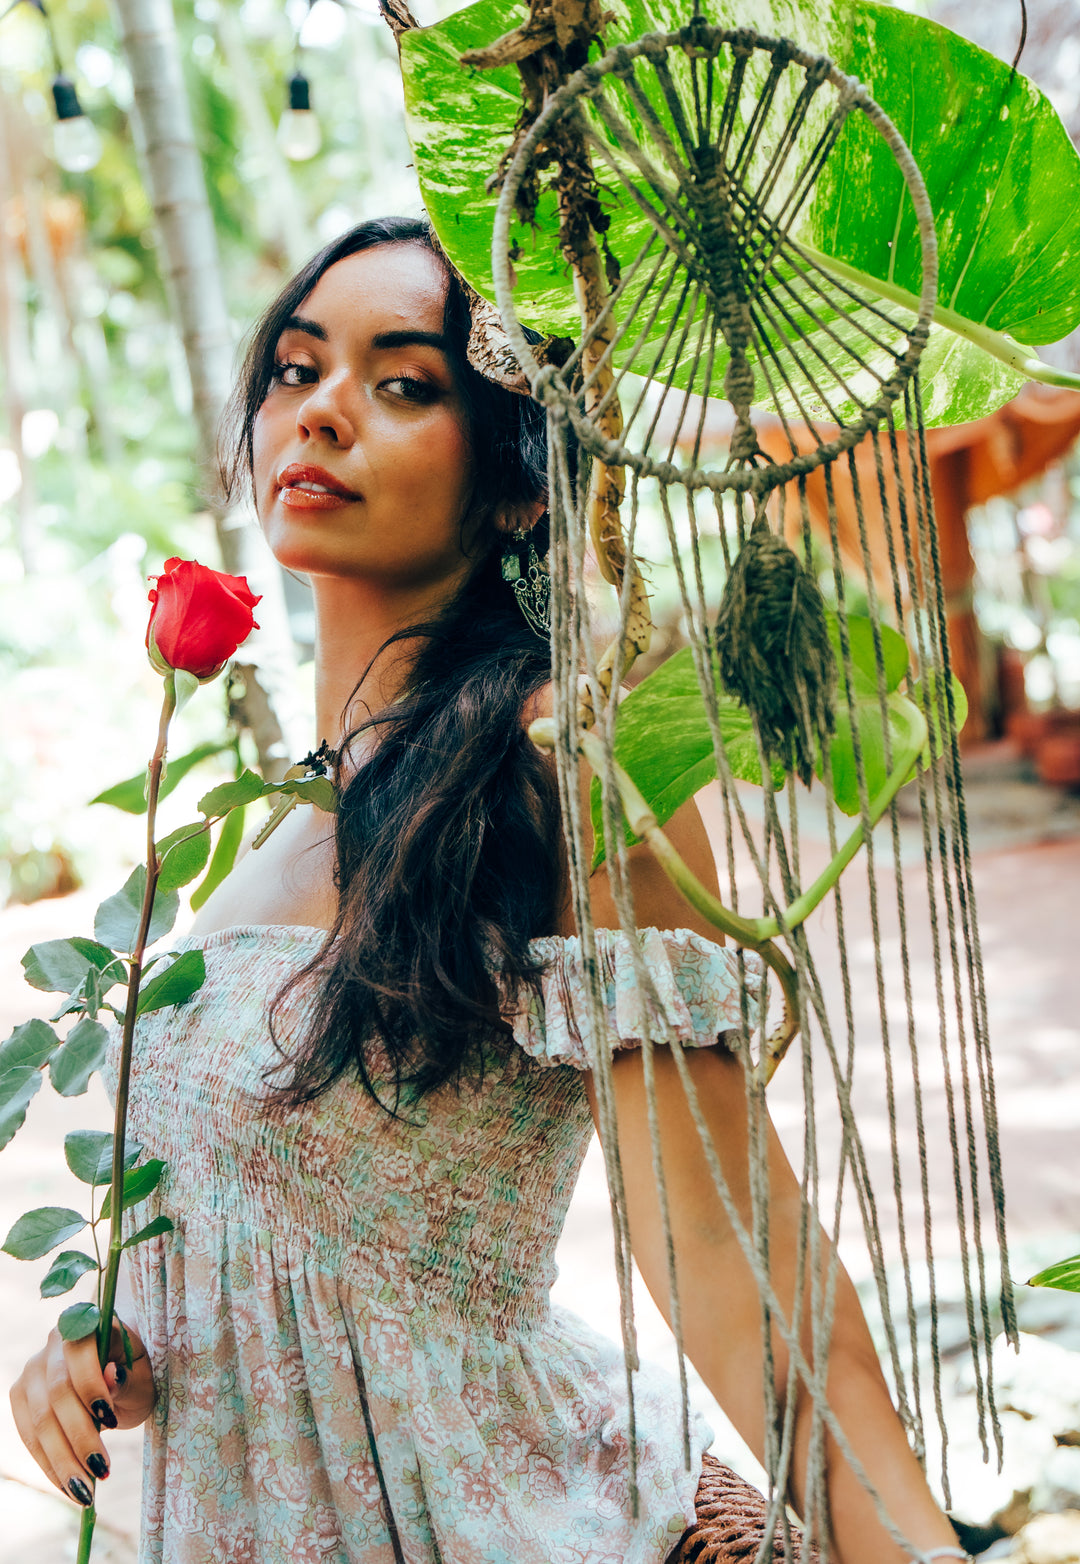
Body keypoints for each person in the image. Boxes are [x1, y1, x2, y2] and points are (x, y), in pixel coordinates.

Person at [10, 217, 971, 1564]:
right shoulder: (282, 810)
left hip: (483, 1519)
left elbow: (734, 1256)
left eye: (403, 383)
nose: (325, 410)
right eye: (296, 369)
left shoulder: (553, 755)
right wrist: (94, 1354)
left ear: (521, 484)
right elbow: (258, 1229)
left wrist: (923, 1555)